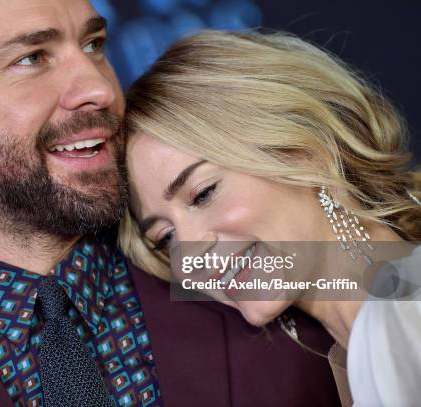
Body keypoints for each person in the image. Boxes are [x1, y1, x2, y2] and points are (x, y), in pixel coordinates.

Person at [0, 2, 340, 406]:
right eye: (32, 58)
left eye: (93, 45)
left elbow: (391, 282)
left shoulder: (245, 270)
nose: (99, 88)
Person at [118, 30, 421, 405]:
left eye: (204, 193)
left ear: (303, 150)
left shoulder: (406, 316)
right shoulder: (356, 351)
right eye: (166, 237)